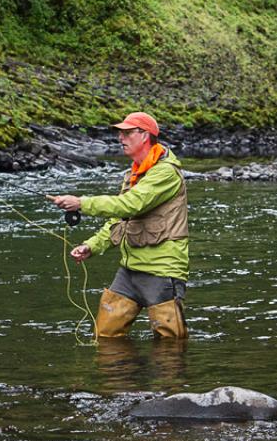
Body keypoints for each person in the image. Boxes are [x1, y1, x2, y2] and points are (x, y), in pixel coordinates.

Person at [48, 112, 189, 339]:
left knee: (170, 347)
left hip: (162, 270)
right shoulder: (134, 173)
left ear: (144, 136)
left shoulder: (165, 173)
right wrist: (91, 245)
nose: (120, 138)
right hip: (129, 271)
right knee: (106, 335)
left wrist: (81, 203)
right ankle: (121, 374)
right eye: (119, 133)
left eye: (127, 133)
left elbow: (129, 205)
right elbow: (119, 220)